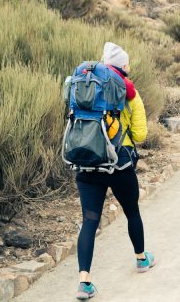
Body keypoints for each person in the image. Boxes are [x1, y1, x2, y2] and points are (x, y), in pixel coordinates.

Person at [75, 42, 155, 300]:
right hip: (118, 163)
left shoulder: (84, 86)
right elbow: (141, 135)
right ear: (123, 67)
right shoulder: (130, 92)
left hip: (86, 162)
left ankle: (84, 282)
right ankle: (141, 259)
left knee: (89, 221)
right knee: (132, 211)